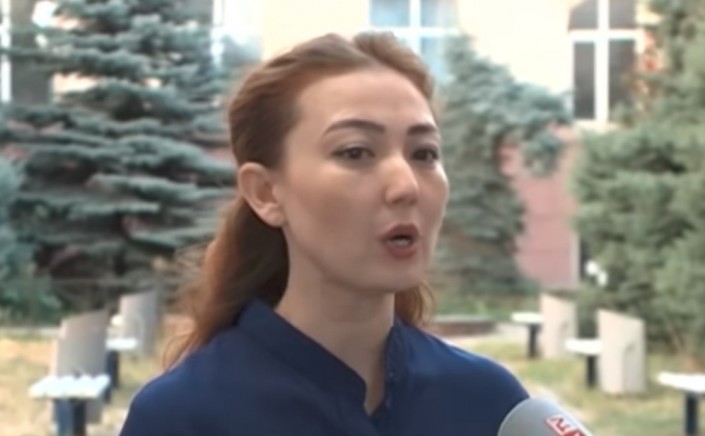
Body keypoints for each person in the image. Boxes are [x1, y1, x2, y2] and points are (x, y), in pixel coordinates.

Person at [119, 31, 528, 436]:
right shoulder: (181, 417)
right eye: (355, 152)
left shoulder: (491, 406)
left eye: (424, 153)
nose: (406, 185)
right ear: (265, 193)